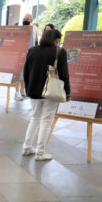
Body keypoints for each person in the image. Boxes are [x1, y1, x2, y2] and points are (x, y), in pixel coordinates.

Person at [21, 29, 70, 162]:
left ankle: (27, 147)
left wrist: (27, 88)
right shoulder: (59, 52)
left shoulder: (32, 50)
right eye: (58, 41)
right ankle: (40, 152)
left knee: (35, 118)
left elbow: (26, 71)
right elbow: (64, 75)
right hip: (51, 92)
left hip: (33, 91)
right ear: (56, 40)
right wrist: (68, 92)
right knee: (46, 121)